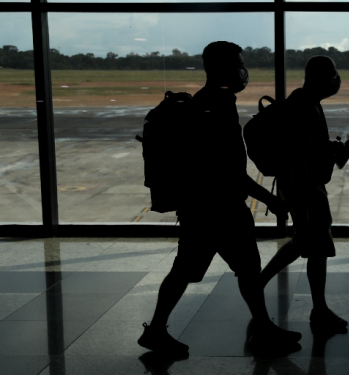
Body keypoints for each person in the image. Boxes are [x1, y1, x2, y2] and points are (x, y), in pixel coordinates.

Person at [137, 41, 301, 356]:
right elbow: (227, 170)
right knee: (210, 269)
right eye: (238, 64)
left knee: (231, 269)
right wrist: (271, 198)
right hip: (216, 208)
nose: (243, 70)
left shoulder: (214, 101)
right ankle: (158, 330)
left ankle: (262, 328)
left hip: (206, 206)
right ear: (221, 68)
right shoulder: (215, 106)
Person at [258, 56, 348, 334]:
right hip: (305, 189)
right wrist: (303, 207)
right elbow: (298, 161)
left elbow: (306, 151)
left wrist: (328, 150)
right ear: (321, 79)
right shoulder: (305, 108)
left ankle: (258, 284)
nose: (337, 80)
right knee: (316, 248)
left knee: (303, 242)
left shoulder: (307, 102)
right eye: (333, 75)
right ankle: (318, 310)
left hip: (303, 187)